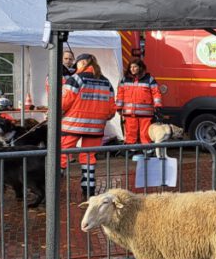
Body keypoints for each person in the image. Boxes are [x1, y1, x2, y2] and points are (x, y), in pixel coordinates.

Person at [61, 53, 116, 198]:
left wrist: (56, 113)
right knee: (89, 156)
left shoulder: (76, 79)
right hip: (96, 127)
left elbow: (64, 102)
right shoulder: (106, 82)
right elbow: (111, 111)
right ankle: (89, 188)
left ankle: (52, 186)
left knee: (61, 154)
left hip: (72, 125)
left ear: (83, 62)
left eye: (77, 64)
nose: (75, 66)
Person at [116, 59, 162, 147]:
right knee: (130, 134)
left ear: (140, 68)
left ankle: (147, 150)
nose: (132, 69)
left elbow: (156, 93)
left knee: (145, 134)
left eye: (135, 67)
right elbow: (120, 94)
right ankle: (131, 150)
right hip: (129, 113)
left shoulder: (149, 79)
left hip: (145, 114)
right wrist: (118, 107)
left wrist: (158, 105)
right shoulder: (125, 79)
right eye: (131, 67)